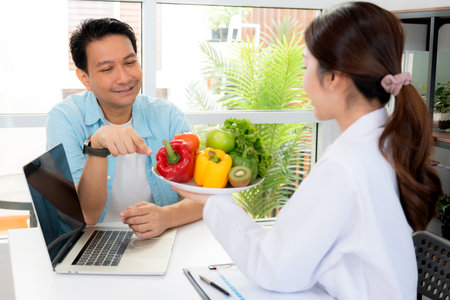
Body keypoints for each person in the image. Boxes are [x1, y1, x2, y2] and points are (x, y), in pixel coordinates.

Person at [173, 2, 443, 299]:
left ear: (334, 77)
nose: (303, 83)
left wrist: (213, 201)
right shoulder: (385, 141)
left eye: (306, 66)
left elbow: (275, 268)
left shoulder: (346, 164)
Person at [46, 18, 203, 238]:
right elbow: (85, 215)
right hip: (91, 244)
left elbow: (205, 197)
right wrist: (97, 146)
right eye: (107, 68)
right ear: (85, 78)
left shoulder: (167, 115)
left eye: (130, 62)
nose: (124, 77)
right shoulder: (65, 119)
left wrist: (166, 217)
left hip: (159, 241)